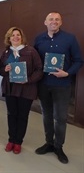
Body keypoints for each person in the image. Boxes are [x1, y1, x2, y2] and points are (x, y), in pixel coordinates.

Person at [34, 12, 83, 164]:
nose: (54, 22)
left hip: (62, 85)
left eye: (57, 19)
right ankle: (49, 143)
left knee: (61, 118)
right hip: (43, 84)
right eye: (51, 19)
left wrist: (67, 73)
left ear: (61, 22)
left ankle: (59, 146)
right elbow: (34, 60)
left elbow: (79, 60)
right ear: (45, 22)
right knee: (46, 115)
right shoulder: (38, 39)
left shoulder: (70, 39)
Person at [0, 27, 43, 154]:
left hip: (26, 89)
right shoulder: (6, 52)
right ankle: (11, 140)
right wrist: (5, 70)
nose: (16, 37)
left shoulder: (31, 51)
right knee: (11, 115)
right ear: (9, 38)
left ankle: (18, 142)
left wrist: (28, 80)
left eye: (18, 35)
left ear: (22, 37)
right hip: (10, 89)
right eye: (13, 35)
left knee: (23, 116)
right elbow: (0, 70)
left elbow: (39, 70)